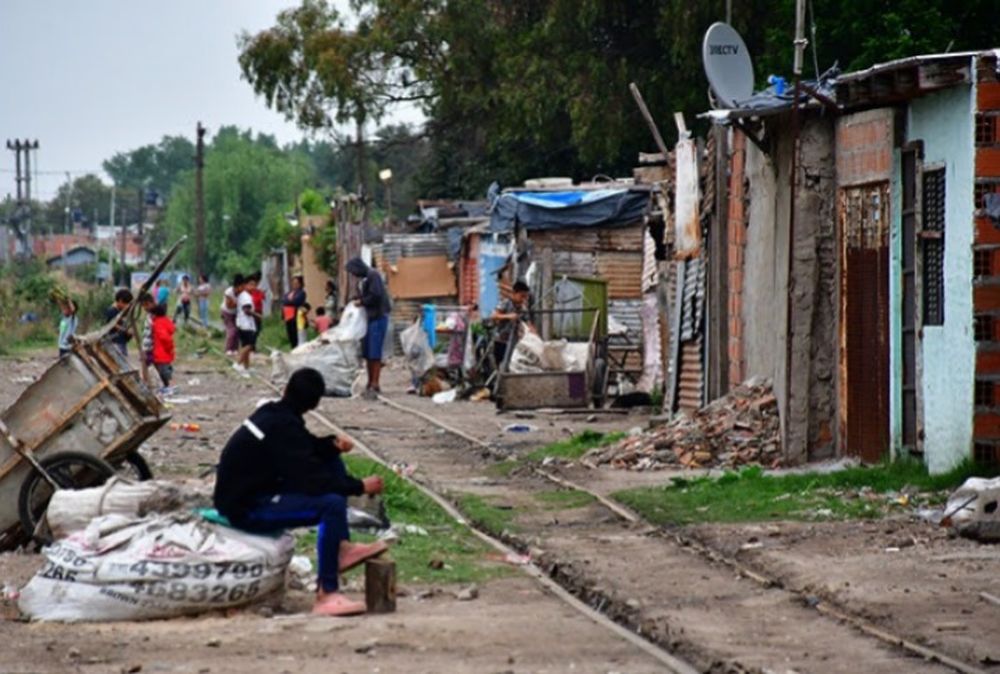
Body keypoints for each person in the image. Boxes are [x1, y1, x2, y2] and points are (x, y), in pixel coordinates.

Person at [213, 367, 387, 617]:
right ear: (314, 404)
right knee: (331, 504)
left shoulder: (275, 414)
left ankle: (342, 547)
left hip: (256, 489)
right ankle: (327, 593)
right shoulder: (283, 426)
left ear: (285, 390)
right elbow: (312, 481)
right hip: (247, 507)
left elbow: (304, 447)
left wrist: (330, 444)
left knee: (330, 460)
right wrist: (359, 486)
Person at [346, 258, 392, 398]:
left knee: (375, 352)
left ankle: (375, 383)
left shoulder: (373, 276)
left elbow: (376, 295)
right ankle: (370, 381)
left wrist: (362, 301)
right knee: (368, 352)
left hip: (377, 317)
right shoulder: (366, 279)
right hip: (370, 319)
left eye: (353, 271)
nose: (353, 275)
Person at [490, 280, 535, 370]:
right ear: (514, 293)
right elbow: (494, 316)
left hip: (514, 342)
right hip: (501, 340)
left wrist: (536, 337)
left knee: (512, 365)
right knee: (500, 366)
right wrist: (508, 316)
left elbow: (529, 323)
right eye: (521, 296)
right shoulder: (506, 303)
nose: (523, 299)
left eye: (525, 297)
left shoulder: (523, 308)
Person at [150, 303, 176, 394]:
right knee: (165, 369)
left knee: (163, 371)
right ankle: (167, 386)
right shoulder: (166, 322)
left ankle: (169, 386)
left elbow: (164, 338)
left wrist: (169, 347)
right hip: (165, 352)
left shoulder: (158, 324)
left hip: (161, 352)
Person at [233, 283, 256, 376]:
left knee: (245, 345)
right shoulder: (246, 296)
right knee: (250, 345)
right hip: (246, 324)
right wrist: (257, 315)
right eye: (251, 285)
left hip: (241, 323)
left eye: (254, 285)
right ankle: (238, 363)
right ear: (246, 285)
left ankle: (246, 367)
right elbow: (247, 310)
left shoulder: (242, 295)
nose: (253, 287)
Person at [104, 288, 134, 357]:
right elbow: (112, 324)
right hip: (113, 343)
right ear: (120, 301)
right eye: (126, 304)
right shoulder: (112, 311)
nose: (127, 307)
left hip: (121, 342)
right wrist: (126, 330)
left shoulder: (123, 312)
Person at [221, 274, 244, 356]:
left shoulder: (242, 293)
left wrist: (236, 304)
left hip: (236, 313)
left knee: (237, 331)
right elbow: (229, 306)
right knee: (232, 330)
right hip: (227, 312)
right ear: (237, 286)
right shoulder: (229, 292)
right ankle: (228, 349)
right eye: (241, 286)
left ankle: (235, 349)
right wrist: (238, 304)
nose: (242, 288)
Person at [282, 275, 306, 348]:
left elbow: (297, 301)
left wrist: (288, 302)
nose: (294, 285)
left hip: (296, 317)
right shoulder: (289, 293)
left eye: (296, 283)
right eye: (293, 283)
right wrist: (289, 301)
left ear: (300, 284)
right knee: (290, 335)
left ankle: (297, 349)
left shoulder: (301, 293)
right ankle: (293, 348)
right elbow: (284, 301)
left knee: (297, 335)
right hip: (288, 317)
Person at [247, 272, 266, 344]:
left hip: (258, 310)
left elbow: (263, 298)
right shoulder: (251, 292)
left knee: (257, 329)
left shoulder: (258, 291)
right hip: (254, 311)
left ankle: (252, 345)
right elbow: (257, 300)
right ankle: (251, 345)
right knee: (254, 329)